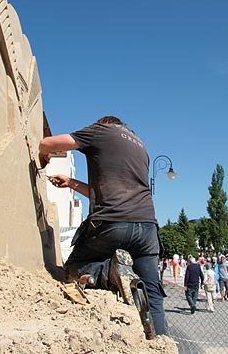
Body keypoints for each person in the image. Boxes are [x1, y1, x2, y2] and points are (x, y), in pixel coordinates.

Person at [38, 115, 167, 336]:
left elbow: (46, 143)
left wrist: (44, 155)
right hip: (147, 228)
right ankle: (160, 343)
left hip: (113, 223)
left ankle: (107, 271)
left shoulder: (101, 131)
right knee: (152, 291)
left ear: (103, 123)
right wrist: (70, 182)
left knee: (73, 268)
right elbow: (102, 194)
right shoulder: (141, 146)